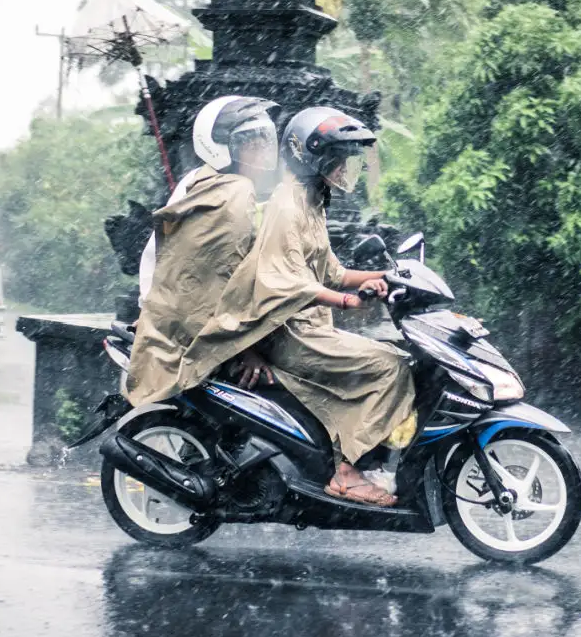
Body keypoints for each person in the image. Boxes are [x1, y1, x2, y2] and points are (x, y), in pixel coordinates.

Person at [172, 107, 417, 508]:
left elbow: (331, 270)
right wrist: (346, 301)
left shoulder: (310, 199)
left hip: (309, 324)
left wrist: (386, 278)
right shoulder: (287, 206)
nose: (344, 169)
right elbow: (284, 280)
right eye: (338, 160)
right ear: (311, 156)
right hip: (290, 332)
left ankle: (368, 458)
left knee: (390, 358)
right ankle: (347, 471)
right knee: (389, 366)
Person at [125, 95, 279, 407]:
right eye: (251, 142)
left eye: (265, 140)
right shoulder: (231, 194)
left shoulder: (210, 182)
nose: (263, 151)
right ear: (222, 147)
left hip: (170, 313)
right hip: (193, 328)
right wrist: (244, 349)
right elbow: (213, 284)